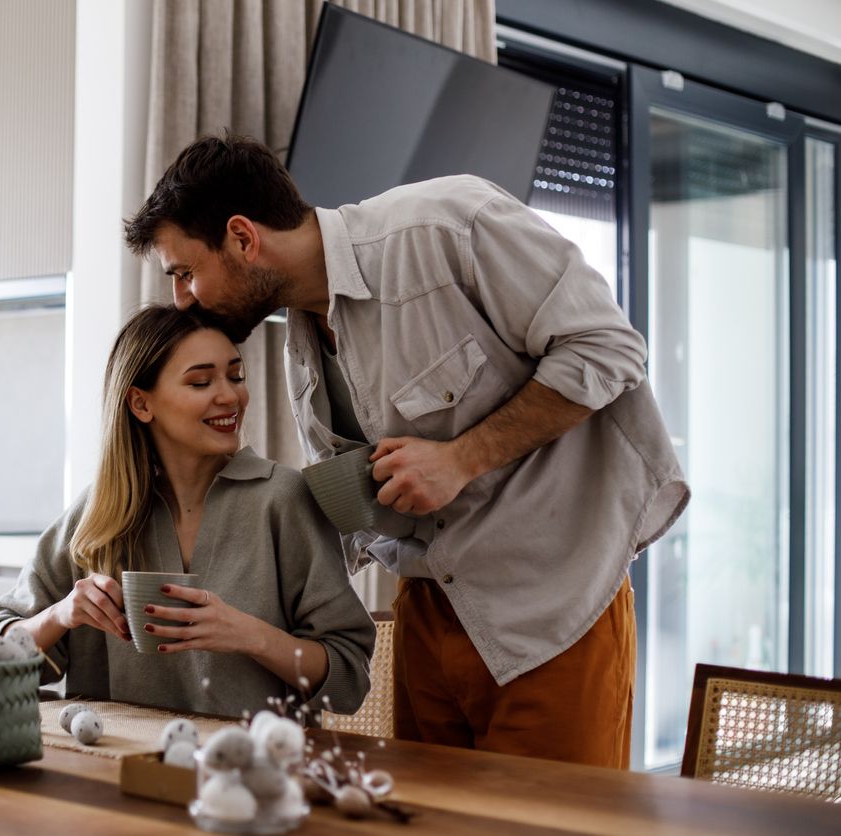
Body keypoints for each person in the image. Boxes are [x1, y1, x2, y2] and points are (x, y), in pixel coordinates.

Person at [124, 134, 690, 768]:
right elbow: (369, 508)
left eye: (184, 272)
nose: (180, 297)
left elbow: (610, 350)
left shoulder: (448, 227)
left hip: (553, 616)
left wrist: (461, 459)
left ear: (243, 238)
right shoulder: (302, 346)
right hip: (428, 612)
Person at [0, 304, 374, 719]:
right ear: (141, 404)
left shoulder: (283, 499)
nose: (230, 396)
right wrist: (61, 614)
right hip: (110, 768)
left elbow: (349, 675)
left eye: (236, 376)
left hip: (247, 774)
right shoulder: (98, 514)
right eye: (201, 381)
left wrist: (249, 635)